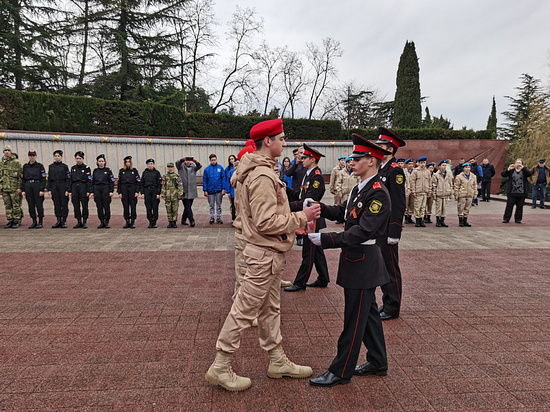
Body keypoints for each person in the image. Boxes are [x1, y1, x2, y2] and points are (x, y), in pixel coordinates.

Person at [205, 119, 320, 392]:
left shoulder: (259, 170)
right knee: (244, 311)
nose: (285, 143)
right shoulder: (262, 175)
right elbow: (265, 221)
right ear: (267, 141)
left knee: (270, 310)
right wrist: (300, 218)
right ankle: (220, 366)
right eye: (281, 138)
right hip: (263, 255)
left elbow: (265, 217)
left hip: (266, 252)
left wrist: (292, 225)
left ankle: (277, 360)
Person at [307, 135, 391, 387]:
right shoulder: (360, 188)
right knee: (368, 316)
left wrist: (328, 240)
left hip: (364, 261)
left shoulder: (379, 194)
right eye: (352, 158)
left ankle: (340, 371)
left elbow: (363, 231)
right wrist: (319, 207)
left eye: (357, 158)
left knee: (354, 319)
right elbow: (345, 212)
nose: (352, 162)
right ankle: (378, 362)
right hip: (356, 260)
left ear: (372, 161)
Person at [284, 144, 330, 292]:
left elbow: (309, 201)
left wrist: (287, 208)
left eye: (304, 157)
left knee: (308, 253)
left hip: (312, 221)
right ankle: (323, 279)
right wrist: (286, 189)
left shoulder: (316, 176)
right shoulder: (308, 174)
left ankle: (300, 283)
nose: (301, 159)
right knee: (317, 251)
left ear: (312, 159)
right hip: (309, 218)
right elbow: (300, 195)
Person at [372, 127, 406, 322]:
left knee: (391, 268)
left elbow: (398, 204)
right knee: (383, 267)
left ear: (391, 150)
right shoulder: (382, 169)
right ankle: (387, 301)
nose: (378, 148)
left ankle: (393, 307)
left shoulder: (395, 171)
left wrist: (395, 231)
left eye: (382, 146)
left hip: (388, 229)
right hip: (379, 228)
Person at [501, 158, 532, 223]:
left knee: (520, 206)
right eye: (517, 163)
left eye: (519, 163)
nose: (518, 164)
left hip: (521, 192)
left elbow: (529, 174)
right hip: (512, 192)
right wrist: (508, 169)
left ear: (522, 164)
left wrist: (523, 168)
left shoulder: (524, 171)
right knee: (509, 205)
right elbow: (503, 174)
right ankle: (506, 218)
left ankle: (518, 219)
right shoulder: (511, 170)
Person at [21, 150, 46, 229]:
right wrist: (23, 190)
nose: (32, 157)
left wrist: (41, 189)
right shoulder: (25, 166)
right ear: (28, 156)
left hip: (37, 185)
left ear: (35, 156)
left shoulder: (40, 166)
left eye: (33, 156)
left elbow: (43, 178)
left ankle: (40, 221)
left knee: (39, 204)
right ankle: (34, 221)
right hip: (28, 185)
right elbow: (23, 179)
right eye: (30, 156)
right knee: (31, 205)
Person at [0, 145, 23, 228]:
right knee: (7, 205)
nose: (7, 152)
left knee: (16, 204)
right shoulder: (1, 163)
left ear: (11, 152)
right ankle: (10, 220)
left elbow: (20, 177)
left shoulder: (16, 163)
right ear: (3, 152)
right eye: (5, 150)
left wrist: (19, 187)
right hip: (4, 188)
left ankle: (17, 220)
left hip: (14, 188)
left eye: (8, 150)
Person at [69, 151, 92, 229]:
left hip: (83, 187)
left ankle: (84, 221)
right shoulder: (73, 168)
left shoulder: (86, 168)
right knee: (76, 205)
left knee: (84, 205)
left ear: (83, 159)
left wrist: (89, 190)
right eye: (77, 158)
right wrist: (70, 191)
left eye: (80, 158)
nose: (78, 160)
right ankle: (79, 221)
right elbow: (70, 180)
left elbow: (89, 180)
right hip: (75, 187)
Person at [176, 156, 202, 227]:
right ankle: (191, 220)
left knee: (188, 206)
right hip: (184, 190)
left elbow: (199, 166)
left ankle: (183, 219)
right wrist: (182, 159)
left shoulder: (193, 166)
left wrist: (195, 161)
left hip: (192, 189)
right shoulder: (181, 166)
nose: (188, 162)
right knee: (187, 206)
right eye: (186, 160)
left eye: (189, 160)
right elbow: (177, 163)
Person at [47, 150, 70, 228]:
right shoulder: (51, 166)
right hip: (54, 186)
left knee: (64, 204)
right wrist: (49, 189)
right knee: (56, 204)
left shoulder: (64, 166)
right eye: (55, 156)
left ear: (61, 157)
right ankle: (58, 220)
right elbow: (49, 178)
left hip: (62, 185)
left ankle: (64, 220)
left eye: (58, 156)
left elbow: (68, 179)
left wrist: (67, 189)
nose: (57, 157)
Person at [91, 154, 115, 229]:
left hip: (105, 189)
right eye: (99, 161)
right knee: (99, 206)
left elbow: (112, 181)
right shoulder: (95, 171)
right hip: (97, 189)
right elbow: (92, 182)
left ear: (105, 162)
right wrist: (92, 191)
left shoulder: (108, 171)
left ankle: (107, 221)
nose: (101, 162)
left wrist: (111, 191)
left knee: (106, 206)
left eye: (102, 161)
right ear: (97, 162)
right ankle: (101, 221)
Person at [117, 155, 140, 228]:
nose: (127, 163)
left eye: (129, 162)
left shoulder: (134, 171)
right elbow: (119, 182)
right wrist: (119, 192)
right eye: (126, 162)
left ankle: (133, 221)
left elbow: (138, 181)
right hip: (124, 189)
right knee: (125, 206)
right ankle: (127, 221)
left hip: (132, 189)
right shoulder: (121, 171)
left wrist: (137, 191)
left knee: (133, 206)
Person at [203, 153, 225, 224]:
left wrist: (223, 189)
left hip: (218, 190)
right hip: (210, 190)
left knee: (219, 205)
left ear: (216, 159)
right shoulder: (207, 169)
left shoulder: (220, 168)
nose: (213, 161)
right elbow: (205, 180)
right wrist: (205, 190)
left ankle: (218, 217)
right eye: (212, 160)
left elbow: (223, 179)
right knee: (211, 205)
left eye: (214, 160)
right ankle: (212, 217)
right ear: (210, 160)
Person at [409, 156, 431, 227]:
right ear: (419, 163)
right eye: (421, 163)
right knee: (417, 207)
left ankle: (421, 220)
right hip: (418, 191)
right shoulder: (415, 171)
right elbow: (412, 181)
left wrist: (429, 191)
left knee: (423, 207)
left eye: (424, 163)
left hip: (425, 191)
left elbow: (429, 182)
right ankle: (417, 220)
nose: (423, 164)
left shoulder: (427, 172)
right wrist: (413, 191)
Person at [141, 158, 162, 228]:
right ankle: (150, 221)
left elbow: (159, 184)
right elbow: (142, 183)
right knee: (148, 207)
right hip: (147, 190)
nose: (150, 165)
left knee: (155, 207)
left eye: (151, 164)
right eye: (149, 164)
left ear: (153, 164)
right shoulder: (145, 173)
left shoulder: (157, 173)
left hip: (154, 190)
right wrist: (142, 193)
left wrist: (158, 193)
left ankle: (155, 221)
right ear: (147, 165)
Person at [454, 162, 477, 227]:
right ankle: (460, 220)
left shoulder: (473, 176)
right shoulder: (459, 176)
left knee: (467, 208)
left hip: (470, 194)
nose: (468, 169)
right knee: (461, 207)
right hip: (462, 194)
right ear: (463, 168)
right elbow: (457, 186)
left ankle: (465, 220)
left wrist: (475, 193)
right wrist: (456, 194)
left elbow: (475, 185)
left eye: (469, 167)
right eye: (466, 167)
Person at [162, 162, 184, 228]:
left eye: (171, 167)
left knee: (175, 209)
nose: (170, 169)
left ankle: (174, 222)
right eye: (169, 167)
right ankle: (170, 221)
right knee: (168, 209)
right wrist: (163, 195)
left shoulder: (176, 176)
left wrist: (180, 194)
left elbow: (180, 185)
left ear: (173, 168)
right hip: (168, 195)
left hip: (175, 195)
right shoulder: (165, 176)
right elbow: (163, 186)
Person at [432, 160, 453, 227]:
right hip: (439, 194)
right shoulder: (436, 175)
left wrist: (451, 193)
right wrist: (434, 195)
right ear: (439, 166)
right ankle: (438, 221)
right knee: (439, 208)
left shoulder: (448, 174)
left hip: (446, 193)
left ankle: (442, 221)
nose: (444, 167)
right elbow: (434, 186)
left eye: (445, 165)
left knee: (444, 208)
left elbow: (450, 184)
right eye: (443, 165)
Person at [225, 154, 237, 222]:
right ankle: (233, 218)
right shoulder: (228, 169)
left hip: (238, 191)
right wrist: (228, 191)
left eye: (232, 159)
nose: (231, 160)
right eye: (230, 159)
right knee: (233, 205)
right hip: (232, 191)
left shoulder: (239, 169)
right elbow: (227, 180)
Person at [403, 158, 415, 224]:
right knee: (406, 204)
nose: (411, 165)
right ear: (407, 165)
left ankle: (410, 217)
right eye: (409, 164)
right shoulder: (404, 171)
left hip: (413, 189)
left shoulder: (415, 171)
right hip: (406, 190)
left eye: (412, 164)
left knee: (412, 204)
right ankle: (406, 218)